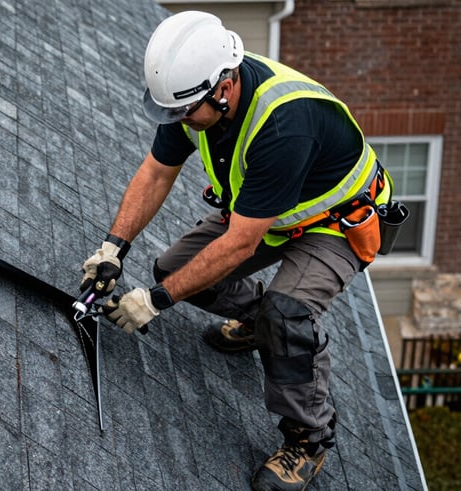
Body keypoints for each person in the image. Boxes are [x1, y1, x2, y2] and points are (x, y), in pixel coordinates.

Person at [79, 11, 395, 491]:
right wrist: (112, 247)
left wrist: (156, 301)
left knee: (287, 314)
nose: (180, 121)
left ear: (224, 88)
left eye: (186, 113)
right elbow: (155, 174)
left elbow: (240, 242)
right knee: (174, 269)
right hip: (269, 213)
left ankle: (307, 440)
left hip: (334, 222)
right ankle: (257, 324)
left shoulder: (284, 125)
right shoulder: (191, 95)